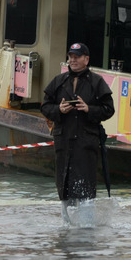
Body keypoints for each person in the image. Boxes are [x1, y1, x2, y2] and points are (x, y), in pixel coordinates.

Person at [41, 43, 115, 223]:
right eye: (70, 57)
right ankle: (66, 227)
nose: (72, 60)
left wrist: (89, 109)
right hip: (64, 142)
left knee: (86, 187)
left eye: (77, 57)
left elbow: (109, 109)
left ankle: (87, 230)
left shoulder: (96, 82)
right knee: (64, 185)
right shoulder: (59, 81)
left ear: (86, 59)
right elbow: (45, 106)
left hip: (86, 142)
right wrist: (58, 109)